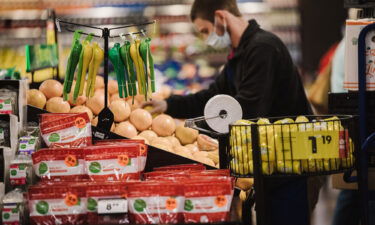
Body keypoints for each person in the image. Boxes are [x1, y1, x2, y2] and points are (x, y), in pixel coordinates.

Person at [142, 0, 314, 224]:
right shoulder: (239, 54)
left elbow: (249, 109)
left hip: (291, 164)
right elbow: (212, 98)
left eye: (205, 30)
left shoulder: (263, 48)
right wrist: (168, 105)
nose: (206, 38)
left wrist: (200, 132)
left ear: (220, 17)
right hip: (269, 164)